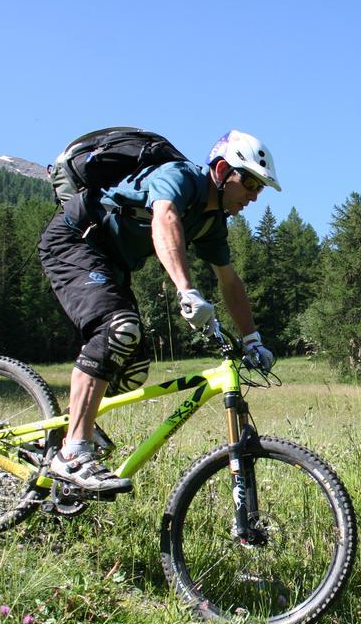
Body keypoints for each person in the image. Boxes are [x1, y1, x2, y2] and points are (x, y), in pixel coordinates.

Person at [37, 130, 280, 493]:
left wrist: (252, 339)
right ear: (221, 169)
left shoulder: (212, 222)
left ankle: (60, 437)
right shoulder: (181, 177)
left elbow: (230, 282)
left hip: (111, 266)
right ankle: (73, 452)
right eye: (248, 182)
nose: (252, 195)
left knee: (132, 370)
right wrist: (187, 290)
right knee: (119, 330)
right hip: (74, 241)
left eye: (259, 188)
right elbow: (164, 217)